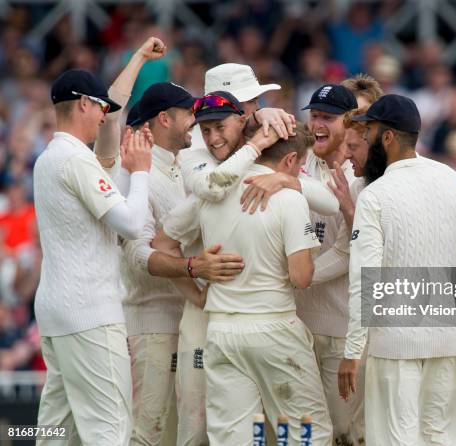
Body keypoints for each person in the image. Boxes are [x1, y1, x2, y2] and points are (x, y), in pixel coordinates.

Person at [168, 64, 339, 446]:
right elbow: (302, 276)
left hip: (221, 327)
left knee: (233, 437)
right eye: (250, 102)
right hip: (271, 326)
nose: (255, 108)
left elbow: (165, 236)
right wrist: (192, 270)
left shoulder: (221, 190)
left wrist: (284, 174)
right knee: (305, 431)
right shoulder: (205, 164)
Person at [338, 94, 456, 444]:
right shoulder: (451, 179)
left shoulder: (376, 194)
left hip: (395, 345)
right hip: (447, 341)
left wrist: (352, 352)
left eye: (369, 131)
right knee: (441, 439)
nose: (365, 139)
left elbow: (364, 281)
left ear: (387, 137)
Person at [33, 69, 152, 445]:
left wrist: (137, 59)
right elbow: (131, 223)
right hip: (90, 315)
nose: (105, 117)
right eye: (102, 107)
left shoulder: (48, 158)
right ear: (84, 102)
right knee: (110, 430)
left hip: (57, 315)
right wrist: (142, 172)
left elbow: (108, 204)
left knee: (55, 431)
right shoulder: (75, 159)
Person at [121, 82, 240, 446]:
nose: (195, 122)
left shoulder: (182, 166)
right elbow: (138, 255)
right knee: (147, 433)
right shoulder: (135, 174)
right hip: (151, 323)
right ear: (163, 119)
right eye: (188, 114)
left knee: (177, 434)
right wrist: (193, 268)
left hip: (185, 321)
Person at [294, 83, 367, 444]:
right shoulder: (295, 161)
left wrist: (296, 279)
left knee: (345, 431)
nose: (318, 124)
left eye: (328, 118)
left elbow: (349, 250)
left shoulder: (359, 176)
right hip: (295, 324)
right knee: (302, 431)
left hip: (339, 327)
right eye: (314, 115)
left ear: (348, 122)